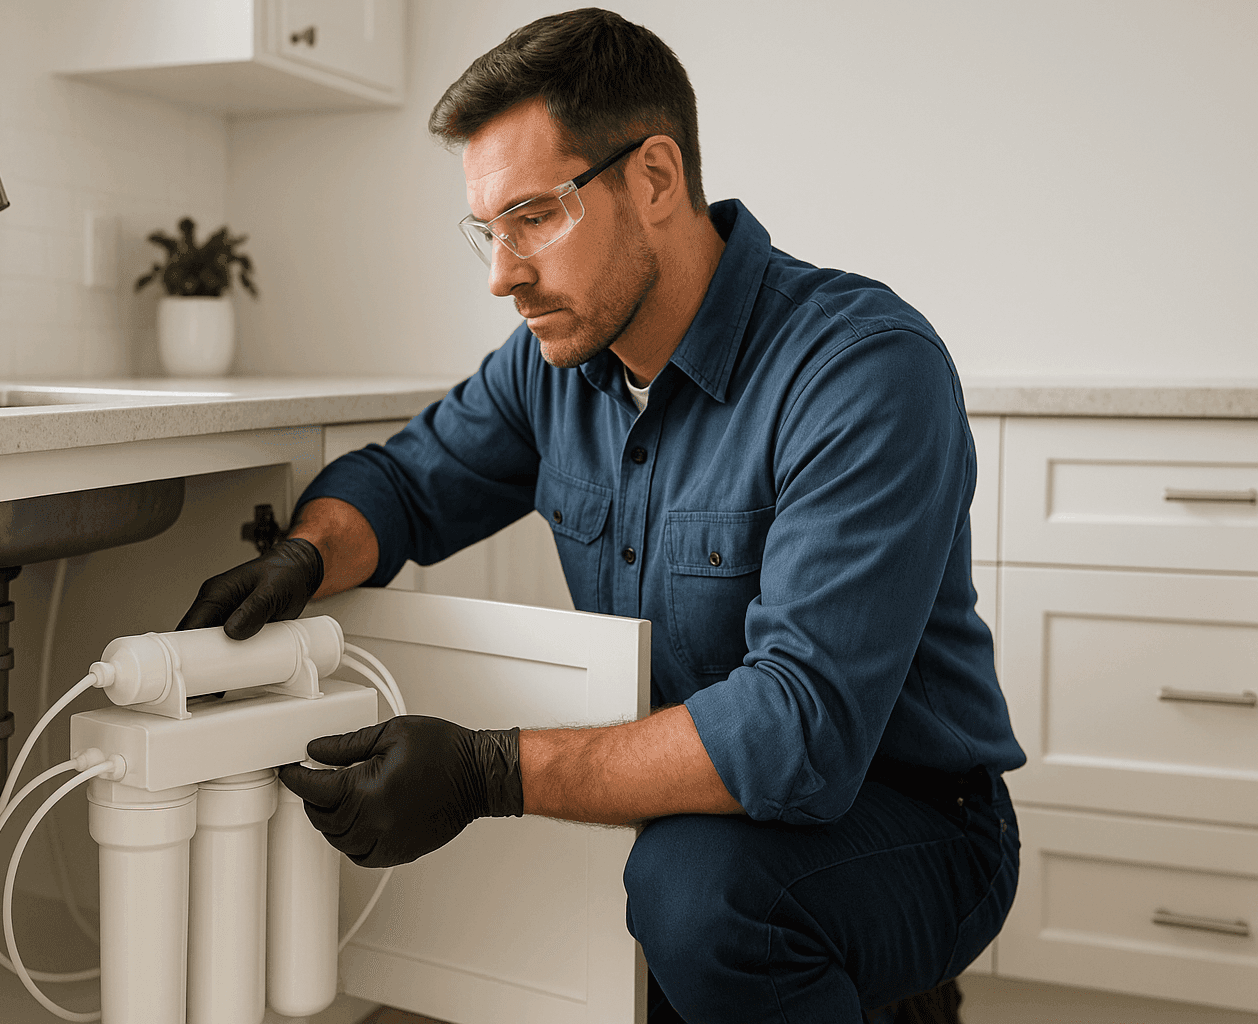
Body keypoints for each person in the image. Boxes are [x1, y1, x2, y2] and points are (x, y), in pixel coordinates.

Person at [178, 9, 1024, 1023]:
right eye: (489, 230)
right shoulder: (556, 367)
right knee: (681, 902)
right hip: (703, 809)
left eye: (535, 216)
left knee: (700, 897)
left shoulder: (860, 369)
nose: (503, 274)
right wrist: (309, 555)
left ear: (656, 178)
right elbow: (404, 485)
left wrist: (488, 771)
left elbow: (801, 728)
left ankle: (893, 984)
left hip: (915, 816)